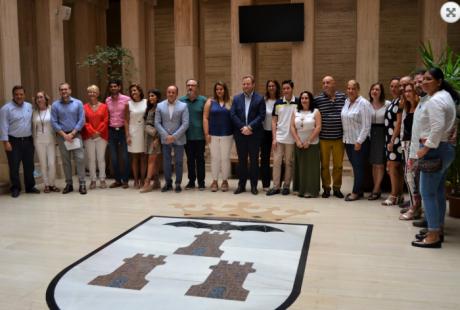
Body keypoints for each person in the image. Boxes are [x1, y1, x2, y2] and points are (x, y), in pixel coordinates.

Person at [412, 68, 458, 248]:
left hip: (435, 150)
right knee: (438, 191)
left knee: (427, 193)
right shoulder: (445, 96)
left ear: (439, 81)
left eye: (428, 79)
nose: (423, 82)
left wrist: (425, 148)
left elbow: (437, 128)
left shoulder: (435, 100)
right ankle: (437, 228)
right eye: (422, 79)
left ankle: (432, 236)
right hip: (445, 148)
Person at [0, 85, 39, 197]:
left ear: (24, 95)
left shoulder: (29, 106)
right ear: (13, 95)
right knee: (14, 165)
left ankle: (30, 186)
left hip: (28, 140)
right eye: (16, 94)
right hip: (13, 141)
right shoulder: (5, 109)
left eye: (21, 94)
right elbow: (3, 126)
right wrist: (5, 142)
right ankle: (15, 188)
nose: (19, 96)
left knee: (29, 165)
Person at [230, 75, 266, 195]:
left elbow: (261, 116)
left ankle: (254, 185)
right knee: (242, 161)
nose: (245, 86)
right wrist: (243, 127)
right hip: (240, 134)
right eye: (244, 84)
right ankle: (241, 185)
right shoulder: (236, 98)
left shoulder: (260, 99)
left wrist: (250, 127)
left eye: (248, 84)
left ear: (253, 85)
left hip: (254, 134)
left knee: (254, 161)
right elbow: (233, 115)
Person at [51, 82, 86, 194]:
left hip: (76, 135)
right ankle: (69, 184)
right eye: (61, 89)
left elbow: (81, 120)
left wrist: (73, 133)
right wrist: (64, 135)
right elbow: (54, 122)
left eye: (66, 89)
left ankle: (82, 184)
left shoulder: (78, 103)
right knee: (66, 161)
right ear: (59, 91)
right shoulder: (55, 105)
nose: (64, 91)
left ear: (70, 90)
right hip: (62, 137)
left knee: (80, 159)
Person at [314, 76, 346, 198]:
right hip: (324, 138)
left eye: (328, 83)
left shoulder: (343, 97)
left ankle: (337, 188)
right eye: (323, 83)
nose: (325, 85)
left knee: (338, 165)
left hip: (339, 138)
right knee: (325, 165)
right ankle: (326, 188)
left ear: (334, 84)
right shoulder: (318, 99)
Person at [341, 80, 372, 201]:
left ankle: (355, 192)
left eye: (353, 88)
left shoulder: (363, 103)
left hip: (359, 142)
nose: (350, 91)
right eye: (348, 88)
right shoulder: (346, 102)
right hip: (348, 140)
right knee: (355, 166)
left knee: (358, 167)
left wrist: (359, 141)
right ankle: (359, 190)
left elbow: (366, 125)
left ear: (358, 89)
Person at [154, 85, 189, 193]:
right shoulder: (159, 106)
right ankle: (168, 183)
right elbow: (157, 122)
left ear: (177, 94)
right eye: (169, 92)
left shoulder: (183, 106)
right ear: (166, 93)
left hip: (179, 138)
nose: (171, 94)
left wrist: (174, 136)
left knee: (179, 162)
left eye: (173, 92)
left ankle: (178, 183)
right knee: (166, 162)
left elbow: (185, 123)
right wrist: (166, 136)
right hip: (165, 139)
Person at [267, 80, 298, 196]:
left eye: (288, 88)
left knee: (289, 162)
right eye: (284, 88)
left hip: (292, 138)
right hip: (279, 138)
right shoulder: (278, 103)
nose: (286, 90)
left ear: (292, 88)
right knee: (276, 162)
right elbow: (274, 122)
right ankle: (275, 187)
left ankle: (286, 186)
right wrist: (274, 138)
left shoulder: (298, 102)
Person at [203, 81, 233, 192]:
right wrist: (206, 133)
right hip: (213, 135)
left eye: (221, 89)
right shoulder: (210, 102)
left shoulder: (230, 101)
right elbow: (205, 118)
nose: (219, 91)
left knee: (225, 158)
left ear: (225, 90)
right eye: (217, 89)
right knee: (215, 159)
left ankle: (225, 181)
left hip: (227, 134)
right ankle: (215, 181)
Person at [291, 91, 321, 198]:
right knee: (300, 167)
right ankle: (300, 189)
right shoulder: (295, 111)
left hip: (312, 143)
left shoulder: (315, 112)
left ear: (310, 100)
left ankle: (311, 191)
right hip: (299, 143)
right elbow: (292, 127)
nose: (304, 100)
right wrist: (298, 141)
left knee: (311, 168)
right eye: (302, 98)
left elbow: (318, 127)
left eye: (306, 98)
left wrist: (308, 141)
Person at [399, 82, 421, 220]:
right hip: (406, 145)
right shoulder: (407, 107)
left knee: (412, 177)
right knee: (409, 177)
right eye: (405, 91)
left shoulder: (421, 107)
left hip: (417, 147)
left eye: (410, 91)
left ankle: (416, 207)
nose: (407, 93)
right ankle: (415, 205)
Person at [180, 79, 207, 190]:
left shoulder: (203, 100)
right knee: (190, 160)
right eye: (188, 85)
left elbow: (207, 118)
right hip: (187, 136)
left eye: (193, 85)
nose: (190, 87)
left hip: (200, 136)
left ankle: (201, 182)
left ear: (197, 87)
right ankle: (191, 181)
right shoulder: (181, 101)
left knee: (200, 160)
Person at [81, 85, 109, 190]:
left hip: (102, 136)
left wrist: (98, 132)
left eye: (94, 92)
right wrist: (92, 132)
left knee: (101, 158)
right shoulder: (84, 107)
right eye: (90, 92)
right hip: (89, 136)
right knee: (91, 159)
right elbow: (85, 122)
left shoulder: (104, 106)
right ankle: (93, 180)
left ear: (98, 93)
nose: (92, 94)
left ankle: (102, 179)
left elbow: (105, 121)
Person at [32, 91, 59, 193]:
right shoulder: (34, 112)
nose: (39, 99)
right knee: (43, 164)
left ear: (45, 99)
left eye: (41, 97)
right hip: (39, 141)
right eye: (37, 98)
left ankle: (53, 184)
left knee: (52, 163)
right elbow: (32, 127)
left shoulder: (52, 109)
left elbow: (56, 124)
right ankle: (46, 185)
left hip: (51, 140)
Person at [106, 79, 130, 189]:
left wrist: (128, 133)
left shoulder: (126, 99)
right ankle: (117, 180)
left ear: (119, 87)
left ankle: (125, 180)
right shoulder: (107, 100)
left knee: (125, 157)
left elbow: (128, 117)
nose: (113, 88)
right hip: (111, 130)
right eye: (111, 86)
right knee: (114, 157)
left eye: (115, 86)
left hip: (122, 130)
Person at [368, 83, 388, 200]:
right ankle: (377, 188)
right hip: (370, 133)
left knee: (380, 163)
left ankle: (376, 189)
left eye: (377, 89)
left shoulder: (387, 104)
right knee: (374, 164)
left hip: (382, 134)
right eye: (373, 89)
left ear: (381, 92)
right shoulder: (367, 105)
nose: (375, 91)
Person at [140, 89, 162, 193]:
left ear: (157, 97)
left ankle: (147, 182)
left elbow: (160, 124)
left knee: (151, 160)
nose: (150, 98)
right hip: (148, 137)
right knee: (154, 159)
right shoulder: (149, 108)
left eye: (153, 96)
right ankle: (157, 181)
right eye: (149, 96)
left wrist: (156, 138)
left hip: (155, 137)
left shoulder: (159, 108)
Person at [260, 80, 280, 191]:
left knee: (278, 159)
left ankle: (277, 184)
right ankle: (266, 184)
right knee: (264, 159)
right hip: (264, 132)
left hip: (278, 133)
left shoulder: (280, 101)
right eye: (269, 86)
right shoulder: (263, 100)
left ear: (276, 87)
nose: (271, 88)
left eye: (273, 86)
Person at [126, 84, 147, 189]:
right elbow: (126, 120)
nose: (133, 92)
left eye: (135, 90)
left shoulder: (146, 102)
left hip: (143, 130)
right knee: (134, 157)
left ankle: (143, 179)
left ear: (140, 91)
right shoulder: (128, 104)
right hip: (133, 131)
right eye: (131, 91)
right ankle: (135, 180)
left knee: (143, 156)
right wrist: (127, 135)